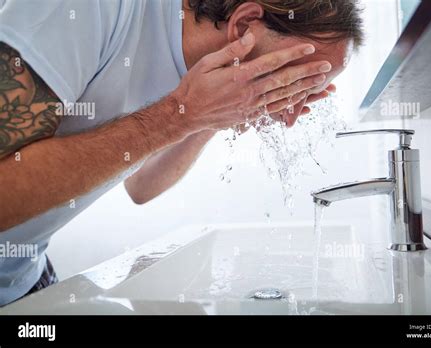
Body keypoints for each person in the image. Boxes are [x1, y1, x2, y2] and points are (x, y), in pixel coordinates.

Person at [0, 0, 363, 305]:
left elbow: (142, 185)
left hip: (25, 277)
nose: (290, 111)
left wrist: (214, 114)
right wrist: (179, 115)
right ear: (245, 28)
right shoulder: (87, 8)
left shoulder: (198, 57)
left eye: (306, 91)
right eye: (294, 81)